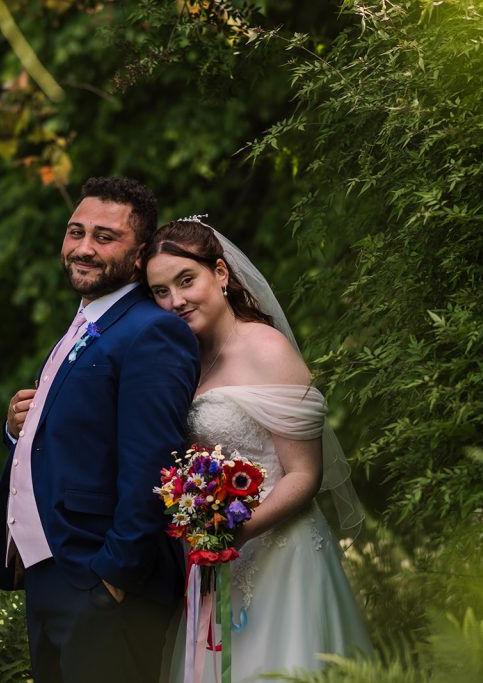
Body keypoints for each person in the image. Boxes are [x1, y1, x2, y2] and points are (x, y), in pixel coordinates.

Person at [0, 177, 200, 683]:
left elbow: (155, 463)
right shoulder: (87, 322)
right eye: (75, 231)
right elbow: (79, 436)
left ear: (139, 253)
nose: (82, 248)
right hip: (51, 577)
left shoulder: (153, 331)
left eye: (104, 237)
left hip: (101, 585)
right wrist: (19, 428)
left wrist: (112, 578)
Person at [143, 217, 373, 682]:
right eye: (161, 292)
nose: (175, 301)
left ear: (221, 274)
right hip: (216, 565)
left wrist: (237, 533)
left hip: (283, 559)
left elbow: (305, 475)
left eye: (186, 281)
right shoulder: (186, 363)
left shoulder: (267, 349)